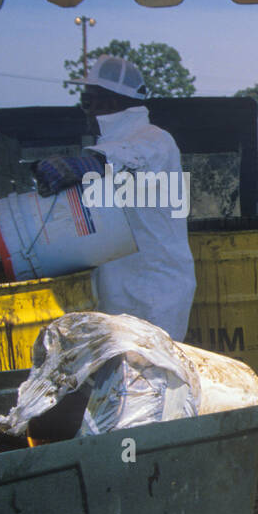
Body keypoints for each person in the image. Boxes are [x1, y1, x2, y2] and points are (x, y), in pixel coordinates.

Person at [33, 55, 195, 339]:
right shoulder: (107, 144)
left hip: (156, 293)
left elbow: (127, 159)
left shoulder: (155, 138)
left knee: (154, 379)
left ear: (109, 102)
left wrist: (83, 166)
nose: (85, 110)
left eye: (87, 100)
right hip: (117, 291)